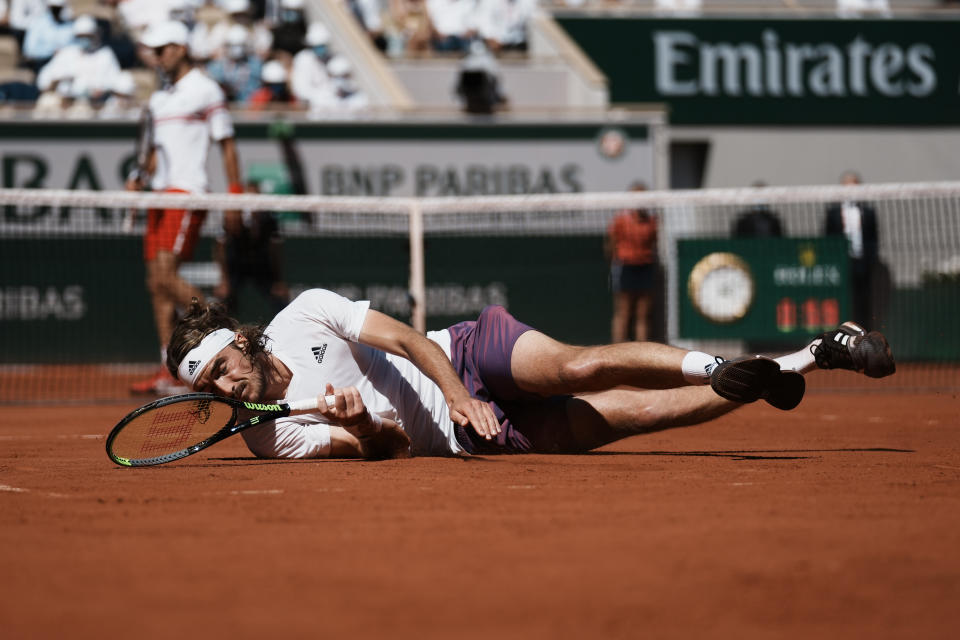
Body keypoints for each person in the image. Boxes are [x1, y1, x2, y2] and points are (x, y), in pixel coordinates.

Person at [164, 289, 895, 460]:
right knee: (645, 416)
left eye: (223, 370)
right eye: (211, 390)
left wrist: (454, 394)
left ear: (241, 341)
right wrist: (360, 426)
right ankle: (807, 358)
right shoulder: (269, 440)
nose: (225, 391)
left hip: (466, 353)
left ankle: (716, 365)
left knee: (577, 365)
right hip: (473, 441)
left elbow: (412, 341)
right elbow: (381, 450)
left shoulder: (307, 313)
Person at [127, 19, 243, 396]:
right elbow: (154, 158)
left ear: (179, 48)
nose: (156, 58)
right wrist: (140, 177)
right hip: (159, 196)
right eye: (153, 52)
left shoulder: (206, 89)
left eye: (161, 51)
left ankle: (226, 327)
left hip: (187, 194)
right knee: (155, 285)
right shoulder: (159, 100)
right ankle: (169, 370)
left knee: (165, 277)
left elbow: (227, 145)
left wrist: (235, 195)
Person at [213, 180, 290, 317]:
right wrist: (224, 280)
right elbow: (220, 247)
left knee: (280, 297)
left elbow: (274, 250)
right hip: (236, 263)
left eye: (255, 197)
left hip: (261, 264)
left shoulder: (269, 219)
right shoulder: (232, 217)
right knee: (224, 301)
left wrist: (278, 281)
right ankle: (221, 331)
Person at [823, 170, 879, 326]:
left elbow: (873, 239)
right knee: (840, 300)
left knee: (862, 301)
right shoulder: (832, 212)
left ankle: (863, 335)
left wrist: (871, 260)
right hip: (840, 263)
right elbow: (828, 239)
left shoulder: (868, 212)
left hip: (862, 263)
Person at [606, 181, 659, 343]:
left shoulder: (652, 222)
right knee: (624, 311)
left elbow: (653, 244)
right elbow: (611, 244)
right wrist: (616, 262)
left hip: (645, 266)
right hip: (625, 266)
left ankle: (642, 353)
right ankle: (618, 351)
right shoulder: (620, 221)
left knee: (643, 314)